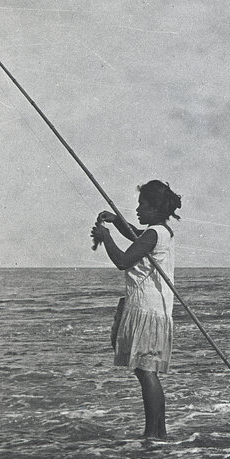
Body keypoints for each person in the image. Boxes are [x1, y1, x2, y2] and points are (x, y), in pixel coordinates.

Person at [91, 179, 182, 440]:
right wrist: (116, 221)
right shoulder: (160, 231)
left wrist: (106, 236)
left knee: (145, 371)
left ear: (155, 208)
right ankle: (157, 431)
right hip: (155, 309)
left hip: (147, 310)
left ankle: (153, 433)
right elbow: (135, 235)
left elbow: (122, 261)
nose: (138, 209)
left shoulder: (154, 233)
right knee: (146, 371)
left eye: (143, 204)